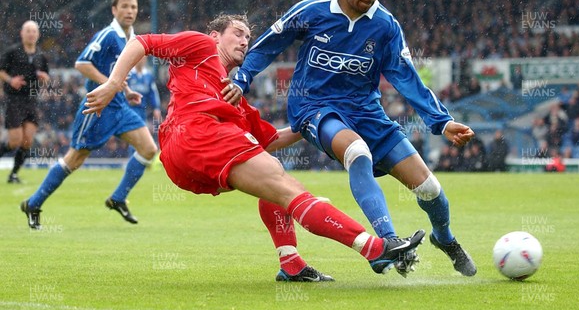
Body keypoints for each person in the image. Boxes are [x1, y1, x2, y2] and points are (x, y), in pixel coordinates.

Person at [82, 14, 426, 281]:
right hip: (196, 133)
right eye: (238, 33)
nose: (245, 41)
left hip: (184, 153)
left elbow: (271, 140)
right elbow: (142, 42)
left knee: (275, 179)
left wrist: (320, 119)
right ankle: (375, 249)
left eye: (249, 36)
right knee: (288, 188)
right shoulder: (201, 46)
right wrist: (114, 83)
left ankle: (290, 262)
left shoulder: (234, 96)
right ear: (216, 35)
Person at [231, 0, 477, 276]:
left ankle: (444, 238)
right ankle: (389, 243)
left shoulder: (386, 26)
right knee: (357, 152)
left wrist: (441, 121)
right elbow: (268, 45)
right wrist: (243, 77)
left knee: (430, 189)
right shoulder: (313, 11)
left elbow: (406, 77)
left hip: (367, 113)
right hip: (314, 108)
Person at [20, 0, 158, 228]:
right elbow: (82, 63)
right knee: (74, 159)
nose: (130, 11)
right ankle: (34, 202)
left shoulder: (130, 38)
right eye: (124, 7)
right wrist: (111, 84)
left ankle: (118, 198)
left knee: (148, 149)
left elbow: (116, 72)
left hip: (119, 105)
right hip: (97, 107)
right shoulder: (107, 35)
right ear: (114, 9)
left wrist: (126, 91)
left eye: (133, 7)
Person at [0, 20, 50, 183]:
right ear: (22, 33)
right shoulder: (12, 52)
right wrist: (10, 80)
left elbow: (46, 78)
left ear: (38, 35)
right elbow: (1, 71)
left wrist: (44, 78)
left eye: (33, 31)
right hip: (14, 100)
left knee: (27, 141)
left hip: (31, 100)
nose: (31, 34)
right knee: (14, 141)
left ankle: (13, 174)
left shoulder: (41, 56)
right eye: (28, 31)